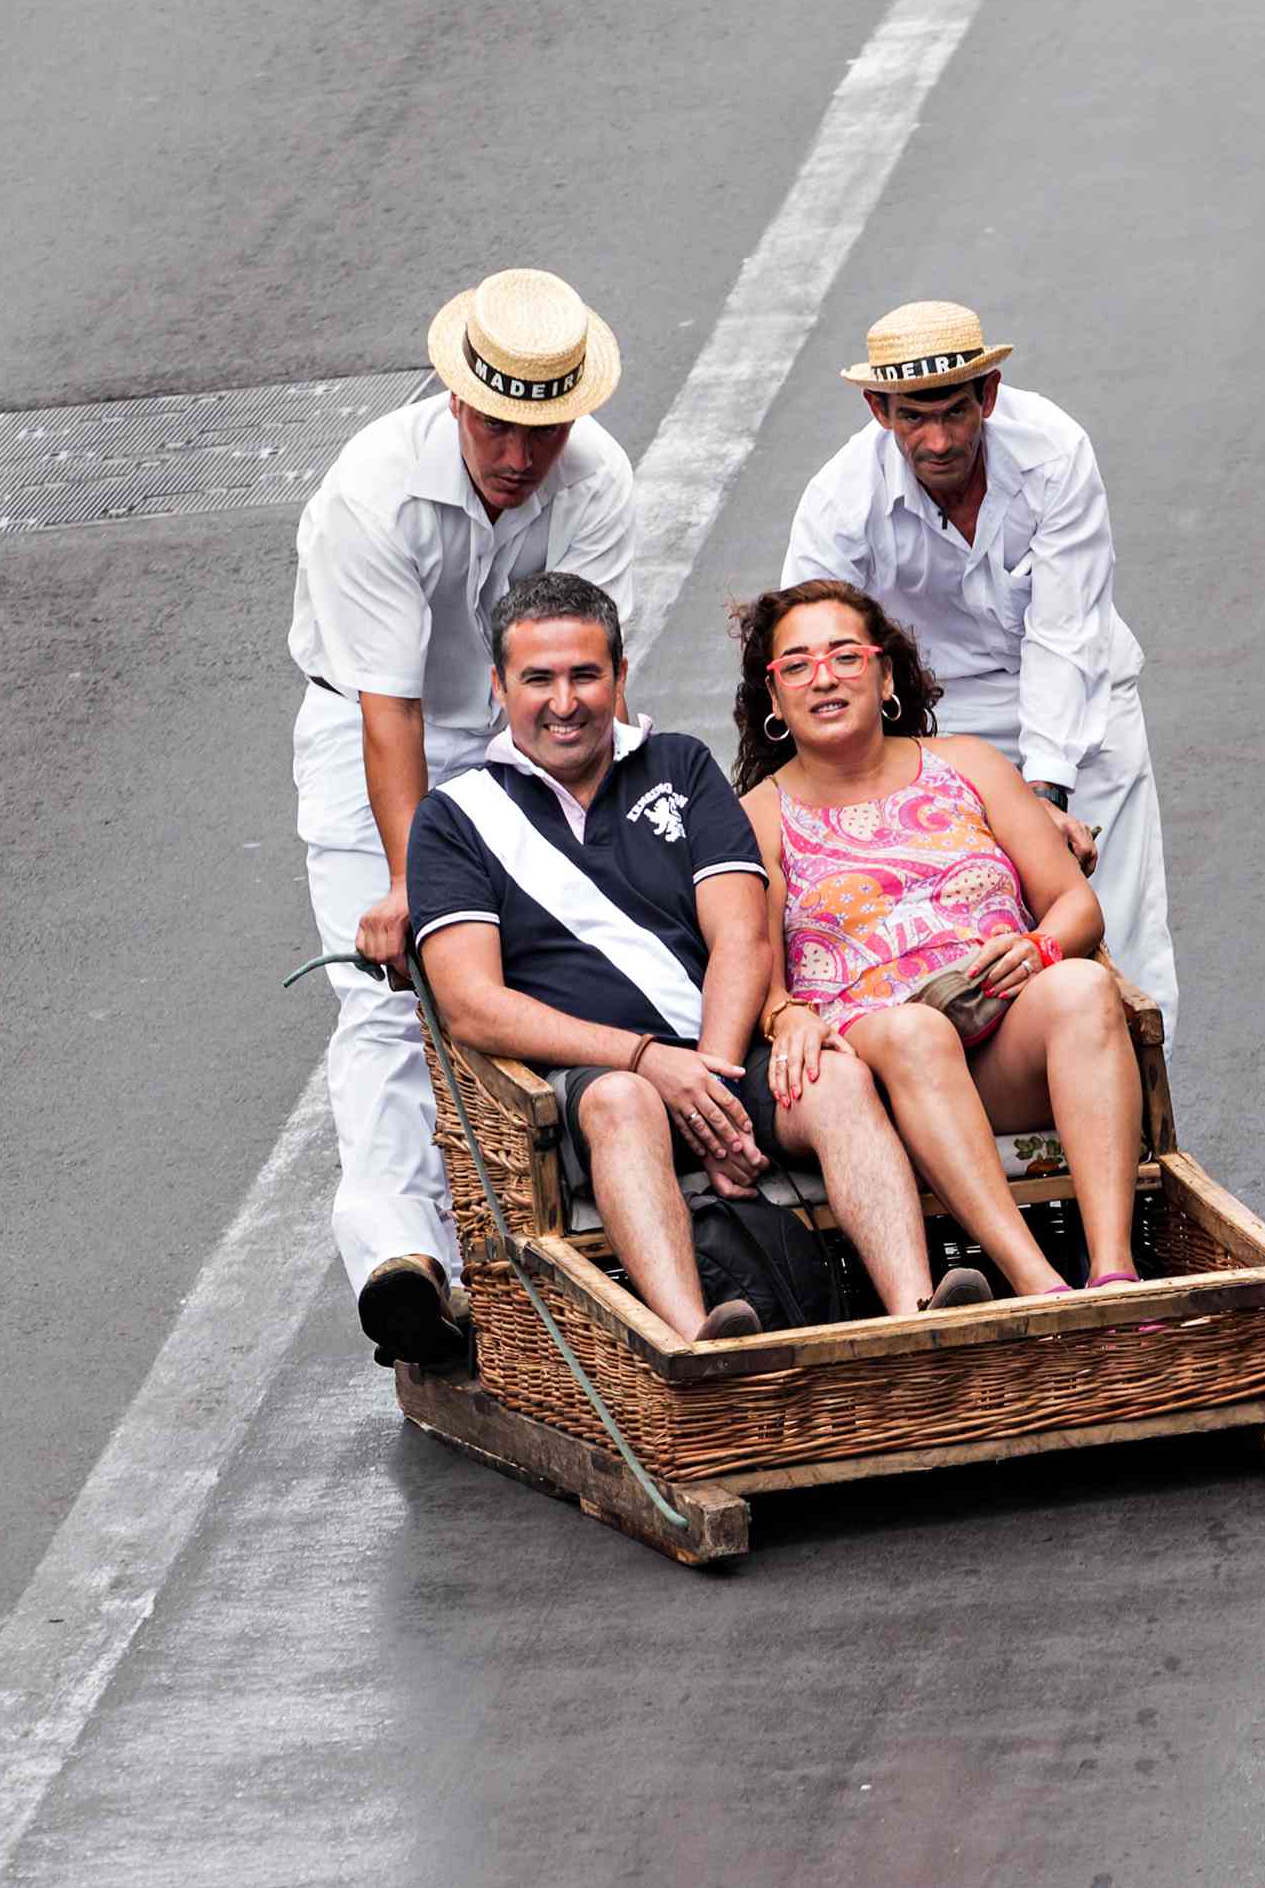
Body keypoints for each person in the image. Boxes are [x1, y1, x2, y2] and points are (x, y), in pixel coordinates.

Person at [409, 574, 969, 1343]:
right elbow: (472, 1003)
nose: (564, 701)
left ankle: (920, 1314)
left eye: (585, 675)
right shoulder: (454, 818)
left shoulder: (680, 766)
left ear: (620, 675)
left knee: (835, 1080)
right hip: (590, 1083)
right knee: (624, 1103)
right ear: (500, 687)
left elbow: (742, 935)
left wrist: (709, 1082)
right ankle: (699, 1340)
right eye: (538, 679)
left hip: (722, 1057)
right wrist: (644, 1061)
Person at [292, 269, 639, 1370]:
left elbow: (587, 676)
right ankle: (404, 1258)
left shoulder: (600, 482)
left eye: (542, 429)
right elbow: (390, 719)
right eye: (497, 424)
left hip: (525, 728)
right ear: (456, 399)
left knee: (563, 968)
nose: (516, 455)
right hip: (368, 737)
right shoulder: (373, 493)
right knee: (394, 1004)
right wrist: (416, 891)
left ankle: (566, 1240)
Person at [733, 581, 1153, 1301]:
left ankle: (1114, 1272)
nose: (824, 677)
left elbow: (1073, 904)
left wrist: (1042, 948)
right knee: (915, 1032)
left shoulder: (967, 762)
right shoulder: (756, 817)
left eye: (844, 656)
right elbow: (753, 968)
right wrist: (784, 1015)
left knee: (1084, 985)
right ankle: (1039, 1287)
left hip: (997, 1035)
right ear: (773, 700)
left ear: (886, 674)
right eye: (796, 666)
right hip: (878, 1069)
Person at [781, 299, 1178, 1015]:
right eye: (913, 418)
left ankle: (1146, 1110)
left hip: (1082, 706)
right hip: (941, 720)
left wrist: (1048, 794)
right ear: (879, 410)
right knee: (959, 926)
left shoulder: (1054, 452)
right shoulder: (838, 501)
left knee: (1114, 929)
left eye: (955, 414)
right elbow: (806, 649)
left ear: (988, 397)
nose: (937, 441)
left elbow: (1066, 629)